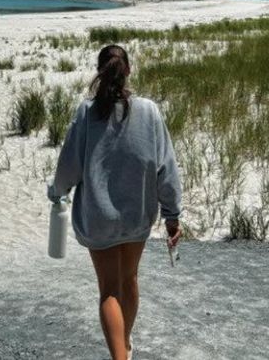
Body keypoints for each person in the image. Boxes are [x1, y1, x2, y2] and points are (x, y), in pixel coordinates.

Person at [48, 44, 183, 360]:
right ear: (128, 72)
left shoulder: (87, 112)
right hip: (137, 215)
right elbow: (166, 166)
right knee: (130, 279)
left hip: (98, 216)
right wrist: (172, 213)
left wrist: (57, 193)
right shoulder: (149, 111)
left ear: (100, 71)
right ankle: (125, 345)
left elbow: (69, 167)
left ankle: (120, 354)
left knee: (109, 289)